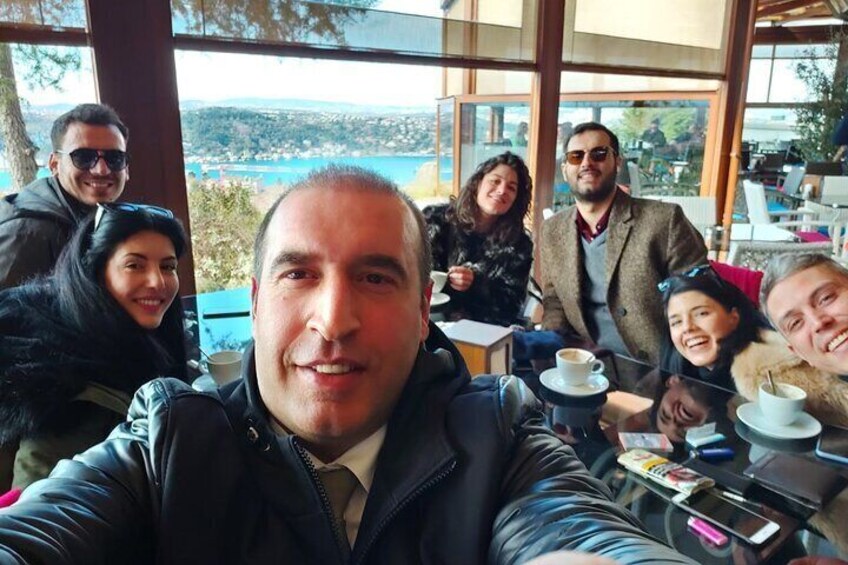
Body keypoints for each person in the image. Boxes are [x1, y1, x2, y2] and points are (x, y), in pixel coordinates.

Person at [0, 165, 695, 564]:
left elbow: (576, 529)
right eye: (299, 274)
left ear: (423, 311)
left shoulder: (501, 437)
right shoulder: (165, 443)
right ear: (255, 303)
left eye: (375, 277)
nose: (332, 321)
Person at [0, 202, 188, 490]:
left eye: (168, 266)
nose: (157, 281)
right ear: (96, 270)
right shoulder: (67, 388)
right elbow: (40, 505)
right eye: (134, 265)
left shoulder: (115, 337)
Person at [540, 122, 706, 363]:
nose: (586, 163)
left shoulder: (664, 220)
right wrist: (551, 352)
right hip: (583, 364)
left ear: (617, 162)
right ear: (565, 169)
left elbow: (700, 297)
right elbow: (554, 300)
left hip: (656, 367)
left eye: (599, 153)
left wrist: (676, 368)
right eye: (576, 156)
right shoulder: (552, 230)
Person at [0, 103, 130, 289]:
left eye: (115, 158)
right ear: (54, 164)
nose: (101, 170)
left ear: (126, 169)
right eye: (83, 157)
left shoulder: (96, 218)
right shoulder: (27, 235)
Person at [424, 152, 533, 327]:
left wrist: (477, 283)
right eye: (495, 181)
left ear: (516, 199)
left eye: (511, 188)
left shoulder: (519, 244)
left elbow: (511, 306)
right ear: (478, 183)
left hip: (483, 333)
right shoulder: (435, 220)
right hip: (428, 325)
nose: (502, 190)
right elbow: (412, 276)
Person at [659, 264, 771, 392]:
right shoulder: (677, 379)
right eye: (676, 322)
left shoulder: (770, 377)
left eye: (702, 313)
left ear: (734, 317)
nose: (687, 328)